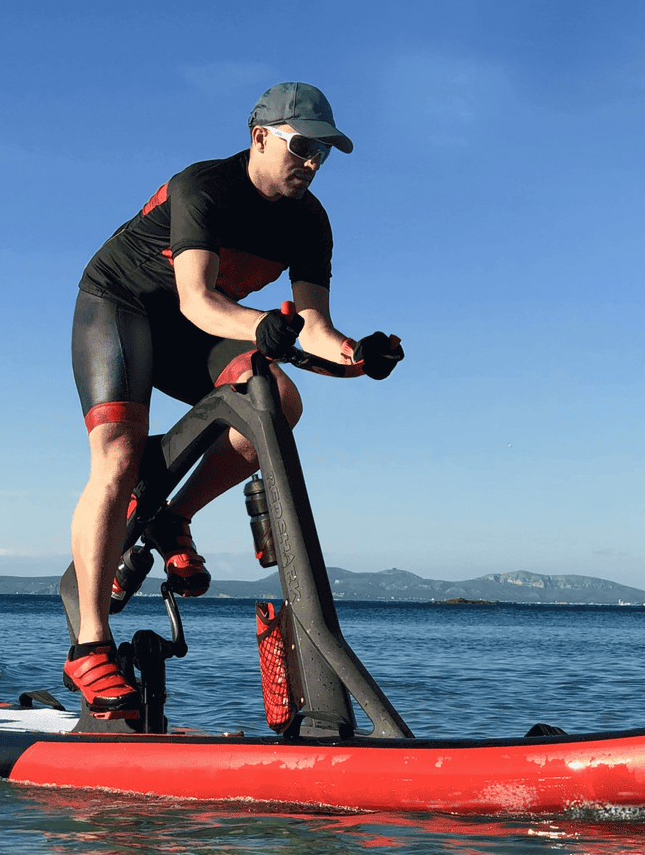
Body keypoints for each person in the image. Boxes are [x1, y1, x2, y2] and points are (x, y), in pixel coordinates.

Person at [66, 82, 403, 720]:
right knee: (117, 457)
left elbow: (317, 330)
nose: (311, 163)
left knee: (278, 401)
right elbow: (197, 300)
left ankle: (170, 517)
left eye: (322, 154)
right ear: (259, 137)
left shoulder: (311, 220)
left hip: (201, 331)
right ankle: (89, 644)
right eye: (301, 147)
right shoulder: (204, 186)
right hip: (122, 310)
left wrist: (362, 357)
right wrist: (261, 328)